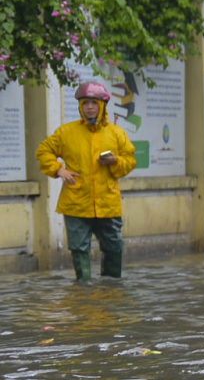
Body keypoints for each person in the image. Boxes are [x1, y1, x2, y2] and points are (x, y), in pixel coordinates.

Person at [37, 81, 136, 281]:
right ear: (80, 107)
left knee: (114, 246)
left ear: (102, 106)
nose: (89, 107)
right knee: (79, 248)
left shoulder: (116, 133)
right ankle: (83, 291)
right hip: (76, 203)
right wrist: (59, 170)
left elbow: (130, 160)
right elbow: (44, 151)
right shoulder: (67, 133)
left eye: (93, 102)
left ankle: (111, 291)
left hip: (108, 203)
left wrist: (115, 161)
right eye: (85, 103)